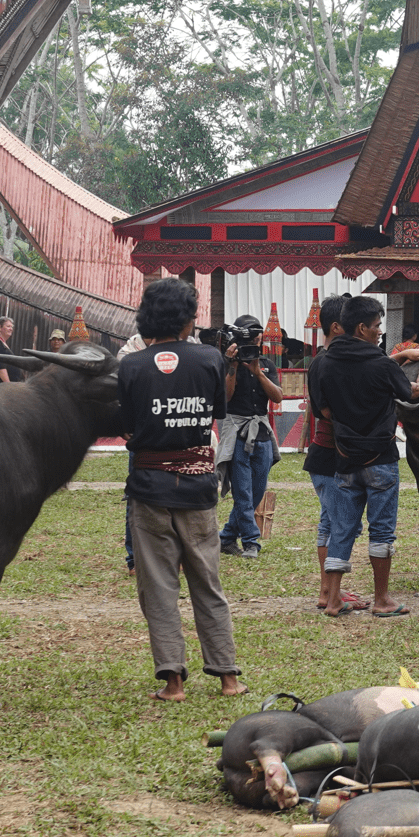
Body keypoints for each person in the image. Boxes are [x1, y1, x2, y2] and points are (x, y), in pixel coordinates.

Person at [117, 276, 244, 701]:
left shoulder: (131, 366)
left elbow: (127, 427)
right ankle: (228, 677)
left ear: (148, 318)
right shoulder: (210, 360)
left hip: (149, 489)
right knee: (208, 583)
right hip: (199, 489)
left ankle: (173, 682)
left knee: (159, 587)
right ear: (189, 319)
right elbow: (214, 414)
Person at [312, 295, 419, 617]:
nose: (380, 332)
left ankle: (334, 598)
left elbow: (323, 410)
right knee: (381, 531)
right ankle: (382, 600)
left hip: (343, 459)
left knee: (341, 528)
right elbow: (406, 392)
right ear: (361, 328)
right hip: (380, 460)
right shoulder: (381, 364)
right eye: (377, 326)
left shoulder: (324, 363)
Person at [304, 295, 363, 615]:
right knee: (338, 524)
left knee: (331, 521)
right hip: (329, 453)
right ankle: (330, 592)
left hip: (327, 454)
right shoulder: (327, 362)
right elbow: (325, 411)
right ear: (338, 326)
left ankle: (328, 590)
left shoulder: (326, 360)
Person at [218, 315, 284, 559]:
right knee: (243, 493)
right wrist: (233, 366)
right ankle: (251, 542)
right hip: (237, 433)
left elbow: (277, 397)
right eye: (251, 337)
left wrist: (258, 372)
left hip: (262, 432)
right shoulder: (227, 364)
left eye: (258, 337)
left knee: (257, 490)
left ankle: (226, 538)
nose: (255, 342)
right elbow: (225, 398)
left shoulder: (266, 364)